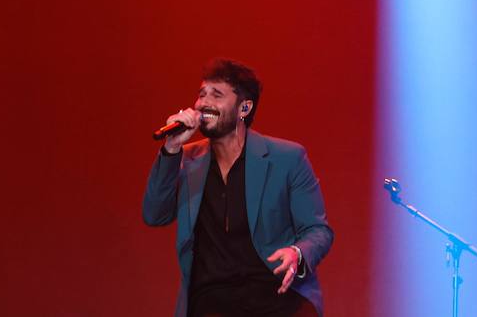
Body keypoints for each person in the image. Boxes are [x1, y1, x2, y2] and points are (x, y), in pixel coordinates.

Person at [143, 58, 334, 317]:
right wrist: (171, 148)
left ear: (244, 107)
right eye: (201, 94)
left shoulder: (287, 158)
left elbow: (317, 229)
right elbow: (155, 214)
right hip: (211, 302)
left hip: (274, 297)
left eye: (217, 94)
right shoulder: (186, 159)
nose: (203, 103)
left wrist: (297, 253)